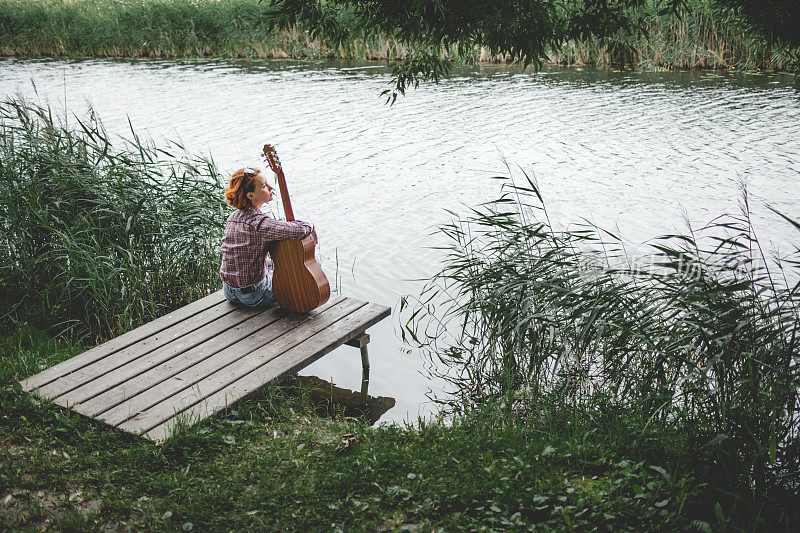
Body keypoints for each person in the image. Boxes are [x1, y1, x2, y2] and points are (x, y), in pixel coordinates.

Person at [220, 167, 314, 309]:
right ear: (251, 195)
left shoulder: (233, 217)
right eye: (264, 186)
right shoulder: (260, 223)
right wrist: (311, 225)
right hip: (255, 296)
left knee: (275, 264)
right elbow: (298, 230)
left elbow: (242, 255)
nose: (270, 187)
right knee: (310, 262)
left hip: (229, 291)